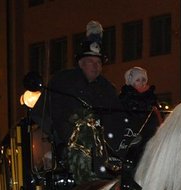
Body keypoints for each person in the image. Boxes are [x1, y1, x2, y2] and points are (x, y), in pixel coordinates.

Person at [31, 20, 125, 179]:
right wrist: (53, 149)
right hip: (68, 152)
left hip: (105, 154)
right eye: (91, 62)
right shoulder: (63, 82)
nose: (96, 66)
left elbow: (116, 121)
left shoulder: (107, 88)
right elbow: (45, 118)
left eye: (98, 62)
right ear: (81, 63)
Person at [118, 66, 163, 166]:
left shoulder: (151, 97)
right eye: (138, 80)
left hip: (149, 132)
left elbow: (158, 115)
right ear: (131, 82)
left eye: (143, 80)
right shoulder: (126, 97)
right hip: (132, 134)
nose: (142, 82)